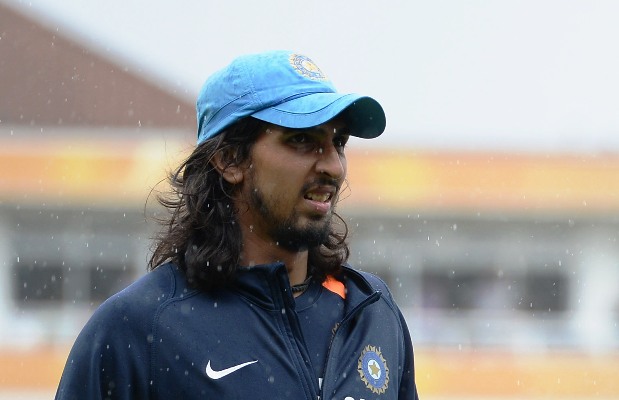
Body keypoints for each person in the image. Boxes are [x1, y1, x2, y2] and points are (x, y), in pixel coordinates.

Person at [55, 50, 420, 400]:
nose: (333, 166)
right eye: (302, 140)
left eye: (337, 142)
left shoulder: (372, 311)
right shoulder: (137, 327)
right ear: (229, 160)